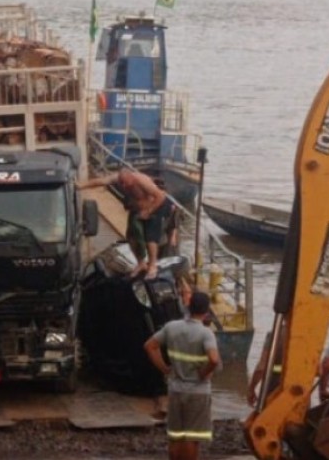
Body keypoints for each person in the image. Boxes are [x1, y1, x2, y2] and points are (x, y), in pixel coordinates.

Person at [144, 292, 221, 460]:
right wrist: (204, 373)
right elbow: (214, 360)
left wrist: (164, 368)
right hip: (198, 392)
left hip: (175, 389)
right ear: (206, 311)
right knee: (191, 437)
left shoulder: (172, 327)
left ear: (188, 306)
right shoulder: (206, 333)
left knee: (176, 436)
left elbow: (150, 346)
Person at [78, 168, 174, 278]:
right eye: (121, 183)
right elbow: (101, 181)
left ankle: (152, 266)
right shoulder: (117, 178)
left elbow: (160, 197)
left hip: (156, 206)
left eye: (126, 183)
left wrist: (148, 212)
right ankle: (141, 263)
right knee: (131, 236)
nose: (124, 186)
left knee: (150, 238)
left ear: (131, 178)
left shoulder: (142, 181)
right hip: (137, 209)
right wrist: (81, 185)